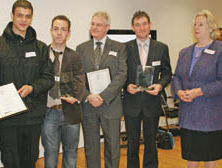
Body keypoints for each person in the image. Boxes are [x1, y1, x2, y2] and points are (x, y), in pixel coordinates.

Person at [0, 0, 54, 168]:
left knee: (30, 160)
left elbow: (48, 77)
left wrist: (33, 87)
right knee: (10, 160)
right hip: (8, 118)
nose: (23, 20)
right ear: (12, 16)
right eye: (20, 15)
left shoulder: (41, 47)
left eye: (27, 16)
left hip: (32, 116)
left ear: (31, 18)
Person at [76, 11, 127, 168]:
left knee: (112, 146)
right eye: (92, 24)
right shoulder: (81, 48)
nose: (94, 27)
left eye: (98, 24)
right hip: (88, 105)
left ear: (107, 27)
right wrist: (88, 95)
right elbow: (77, 77)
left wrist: (103, 96)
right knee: (91, 147)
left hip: (110, 104)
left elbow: (122, 74)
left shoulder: (119, 48)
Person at [172, 9, 222, 168]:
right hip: (188, 115)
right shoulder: (185, 52)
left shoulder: (219, 50)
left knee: (209, 157)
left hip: (209, 116)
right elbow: (176, 77)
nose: (196, 27)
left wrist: (199, 91)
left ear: (211, 28)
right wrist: (179, 91)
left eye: (201, 24)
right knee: (191, 157)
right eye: (195, 24)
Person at [123, 11, 172, 168]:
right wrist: (126, 86)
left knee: (151, 145)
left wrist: (160, 85)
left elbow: (167, 73)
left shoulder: (161, 48)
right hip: (132, 103)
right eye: (137, 25)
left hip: (152, 102)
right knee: (132, 146)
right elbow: (120, 73)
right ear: (132, 27)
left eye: (144, 24)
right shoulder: (125, 48)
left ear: (150, 25)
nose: (141, 27)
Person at [41, 15, 85, 168]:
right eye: (56, 29)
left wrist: (77, 97)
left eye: (63, 29)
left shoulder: (75, 56)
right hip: (48, 113)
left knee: (71, 153)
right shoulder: (42, 55)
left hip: (70, 111)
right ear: (51, 31)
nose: (59, 33)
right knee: (50, 154)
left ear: (69, 33)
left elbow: (80, 79)